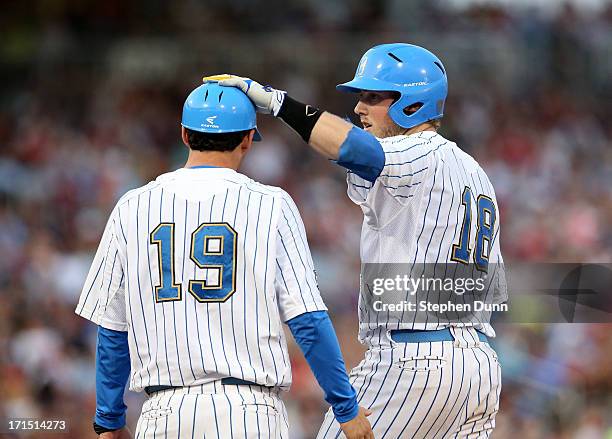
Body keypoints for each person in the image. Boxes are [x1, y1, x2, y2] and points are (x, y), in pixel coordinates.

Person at [207, 42, 506, 438]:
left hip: (416, 363)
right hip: (478, 367)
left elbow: (351, 147)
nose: (360, 108)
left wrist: (279, 103)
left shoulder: (416, 152)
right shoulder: (474, 171)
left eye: (372, 97)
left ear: (413, 104)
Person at [75, 82, 374, 439]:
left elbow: (112, 328)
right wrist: (345, 406)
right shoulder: (271, 204)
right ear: (248, 139)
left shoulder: (132, 207)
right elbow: (307, 318)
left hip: (163, 414)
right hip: (248, 412)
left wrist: (108, 419)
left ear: (185, 135)